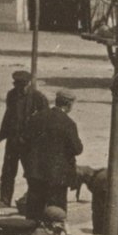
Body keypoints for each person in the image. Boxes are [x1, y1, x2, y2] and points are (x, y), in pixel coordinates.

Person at [21, 90, 84, 220]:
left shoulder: (37, 117)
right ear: (69, 105)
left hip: (35, 173)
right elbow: (77, 149)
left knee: (34, 210)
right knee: (56, 212)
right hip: (57, 176)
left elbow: (24, 141)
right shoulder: (68, 123)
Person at [0, 70, 48, 208]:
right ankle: (4, 200)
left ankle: (33, 200)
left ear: (28, 83)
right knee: (7, 171)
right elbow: (9, 114)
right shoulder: (11, 95)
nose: (20, 88)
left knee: (31, 172)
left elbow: (43, 121)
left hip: (29, 143)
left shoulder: (38, 97)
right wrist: (2, 133)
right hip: (13, 140)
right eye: (17, 85)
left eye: (23, 85)